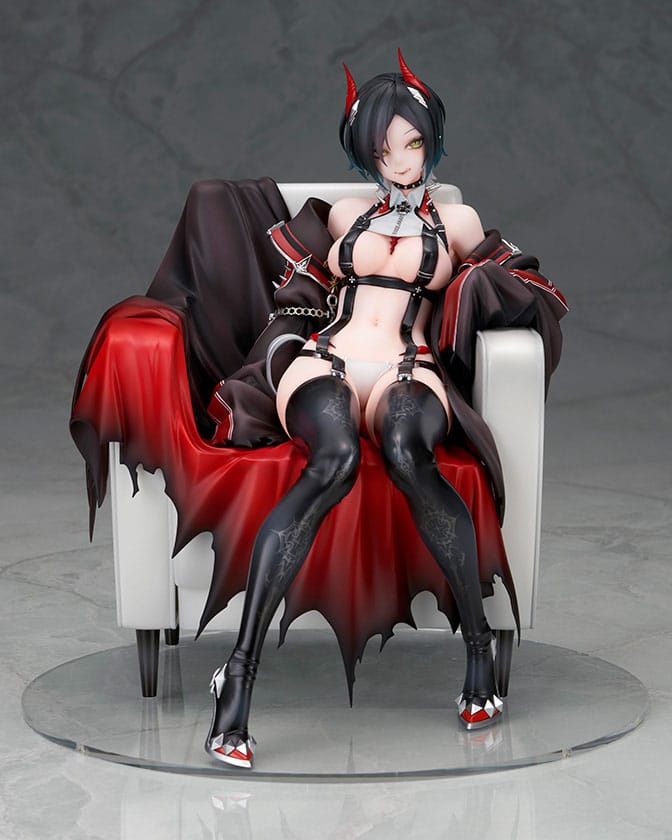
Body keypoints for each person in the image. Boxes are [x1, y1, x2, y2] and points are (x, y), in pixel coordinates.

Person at [205, 50, 512, 769]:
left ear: (433, 141)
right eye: (383, 149)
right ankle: (239, 673)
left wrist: (491, 284)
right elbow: (269, 267)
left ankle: (478, 650)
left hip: (410, 365)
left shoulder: (459, 219)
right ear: (364, 151)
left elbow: (503, 284)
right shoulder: (343, 212)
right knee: (335, 460)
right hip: (328, 358)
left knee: (411, 455)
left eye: (413, 143)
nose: (401, 161)